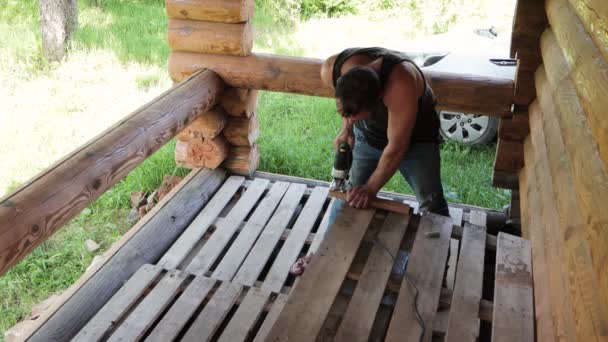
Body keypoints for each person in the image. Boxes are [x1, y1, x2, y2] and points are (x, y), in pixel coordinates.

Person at [289, 47, 450, 276]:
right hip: (370, 134)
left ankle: (436, 273)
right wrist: (347, 129)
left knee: (431, 203)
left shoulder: (400, 83)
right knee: (348, 192)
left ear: (377, 101)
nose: (350, 118)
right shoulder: (334, 68)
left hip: (416, 140)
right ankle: (327, 251)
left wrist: (371, 189)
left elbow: (397, 147)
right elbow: (345, 104)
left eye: (355, 115)